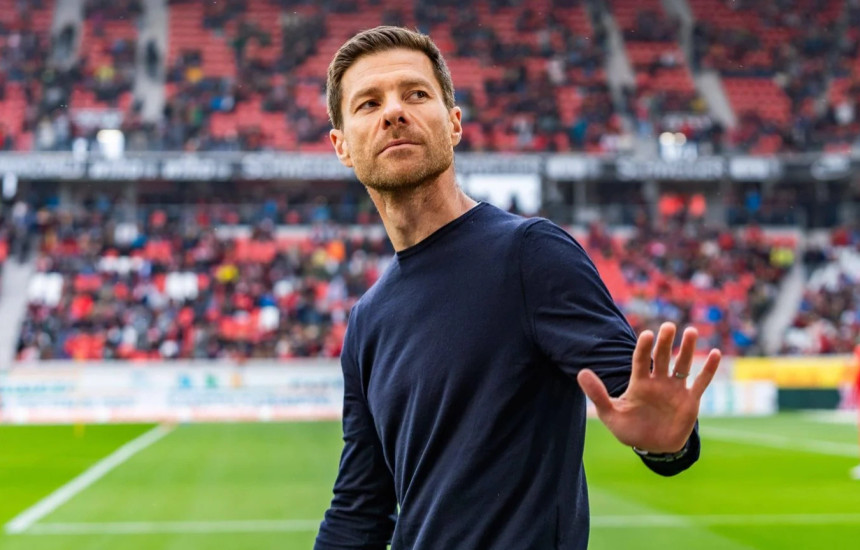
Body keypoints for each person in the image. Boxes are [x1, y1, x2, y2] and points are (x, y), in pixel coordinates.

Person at [314, 26, 721, 550]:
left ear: (454, 123)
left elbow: (643, 406)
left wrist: (666, 446)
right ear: (342, 146)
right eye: (369, 103)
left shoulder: (531, 254)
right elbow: (358, 510)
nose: (393, 112)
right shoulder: (367, 320)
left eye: (415, 94)